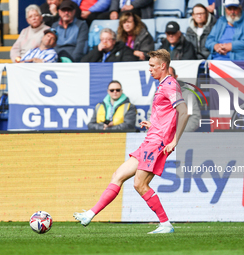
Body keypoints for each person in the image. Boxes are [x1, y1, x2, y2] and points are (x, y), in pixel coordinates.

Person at [74, 49, 189, 234]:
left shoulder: (170, 84)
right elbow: (168, 116)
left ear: (163, 66)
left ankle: (165, 224)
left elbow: (184, 112)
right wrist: (153, 124)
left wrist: (174, 140)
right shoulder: (162, 85)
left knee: (139, 184)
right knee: (118, 175)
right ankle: (90, 213)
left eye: (152, 66)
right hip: (150, 140)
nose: (150, 69)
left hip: (157, 143)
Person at [148, 66, 201, 132]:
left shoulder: (188, 95)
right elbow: (151, 116)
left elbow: (194, 118)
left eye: (169, 75)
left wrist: (179, 133)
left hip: (183, 137)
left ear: (175, 77)